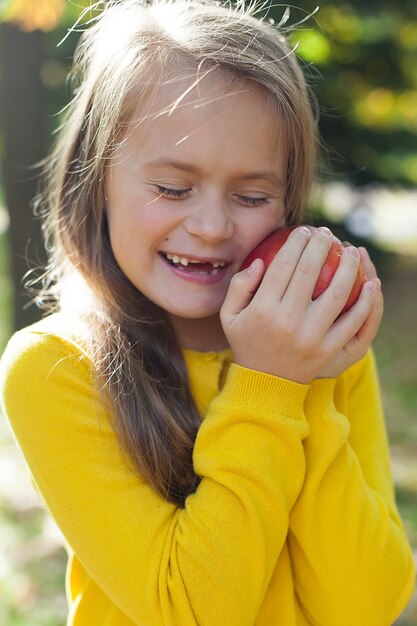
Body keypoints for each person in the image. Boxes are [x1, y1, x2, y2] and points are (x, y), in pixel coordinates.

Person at [0, 1, 414, 624]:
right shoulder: (55, 368)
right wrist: (269, 388)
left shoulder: (321, 349)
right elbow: (192, 612)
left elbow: (368, 606)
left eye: (252, 196)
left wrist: (300, 379)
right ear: (99, 180)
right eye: (172, 188)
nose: (213, 225)